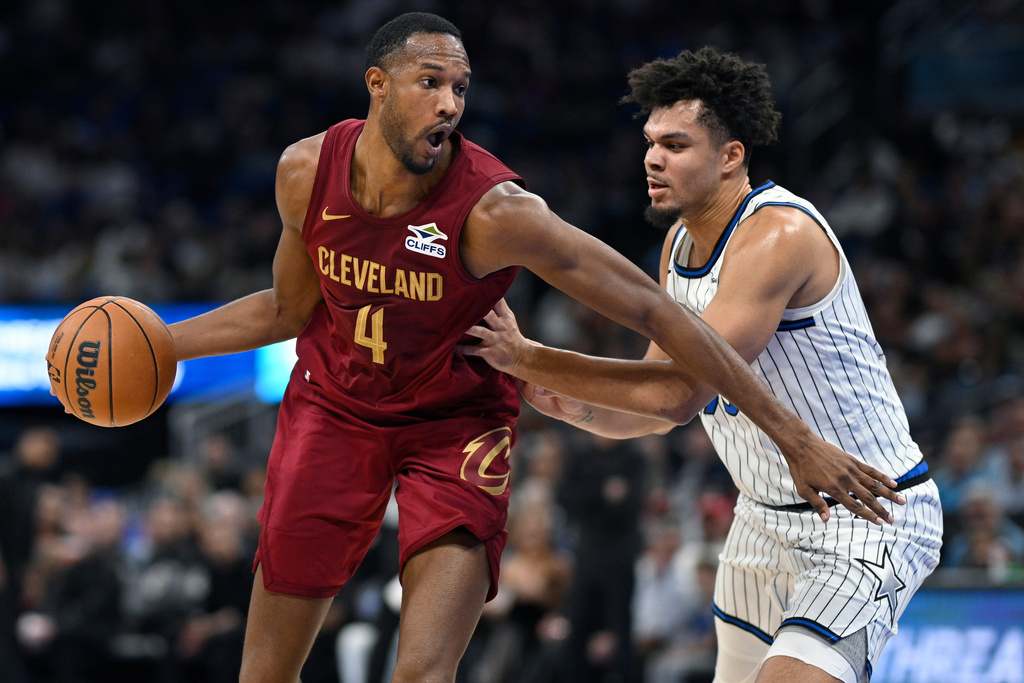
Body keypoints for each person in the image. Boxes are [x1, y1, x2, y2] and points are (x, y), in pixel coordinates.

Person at [165, 15, 904, 683]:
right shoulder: (305, 172)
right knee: (263, 670)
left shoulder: (498, 212)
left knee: (421, 671)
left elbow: (665, 355)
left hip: (454, 427)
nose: (450, 104)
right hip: (335, 409)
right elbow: (288, 308)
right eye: (431, 83)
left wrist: (794, 438)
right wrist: (166, 344)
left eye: (460, 88)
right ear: (377, 84)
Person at [462, 46, 944, 683]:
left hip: (862, 512)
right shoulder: (678, 243)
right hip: (761, 520)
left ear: (730, 156)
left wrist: (530, 356)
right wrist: (573, 404)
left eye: (676, 145)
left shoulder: (778, 236)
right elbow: (656, 415)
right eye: (650, 142)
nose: (652, 158)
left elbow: (677, 393)